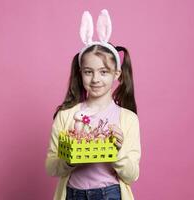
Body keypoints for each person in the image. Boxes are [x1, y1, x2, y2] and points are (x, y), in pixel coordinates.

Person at [45, 9, 141, 200]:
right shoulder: (66, 116)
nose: (96, 79)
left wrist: (118, 153)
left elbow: (132, 175)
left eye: (104, 72)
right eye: (89, 71)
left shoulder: (128, 119)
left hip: (111, 194)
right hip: (73, 194)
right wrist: (69, 158)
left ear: (117, 74)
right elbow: (51, 167)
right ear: (80, 73)